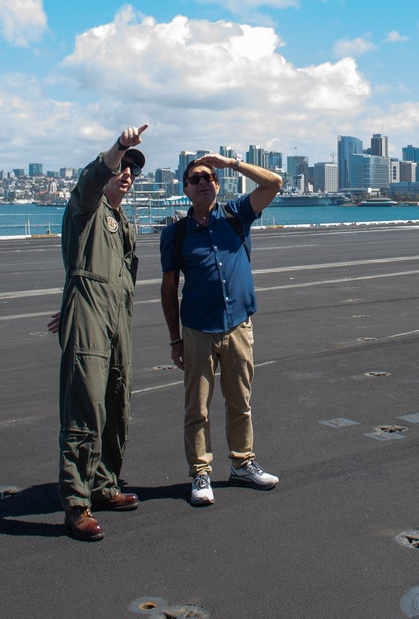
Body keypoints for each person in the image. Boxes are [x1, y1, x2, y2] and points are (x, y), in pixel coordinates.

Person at [159, 153, 282, 506]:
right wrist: (175, 339)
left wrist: (229, 163)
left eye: (208, 178)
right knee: (197, 407)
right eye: (195, 179)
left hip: (239, 326)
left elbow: (273, 183)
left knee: (239, 402)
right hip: (197, 329)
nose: (202, 183)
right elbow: (168, 290)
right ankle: (200, 473)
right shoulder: (176, 234)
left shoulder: (237, 214)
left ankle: (243, 463)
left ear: (217, 184)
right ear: (184, 189)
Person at [52, 124, 148, 541]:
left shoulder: (122, 220)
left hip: (118, 317)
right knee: (85, 406)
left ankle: (105, 484)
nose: (127, 173)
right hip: (91, 316)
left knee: (117, 401)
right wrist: (119, 146)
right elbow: (90, 182)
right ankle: (76, 504)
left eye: (133, 170)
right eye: (122, 167)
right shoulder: (86, 208)